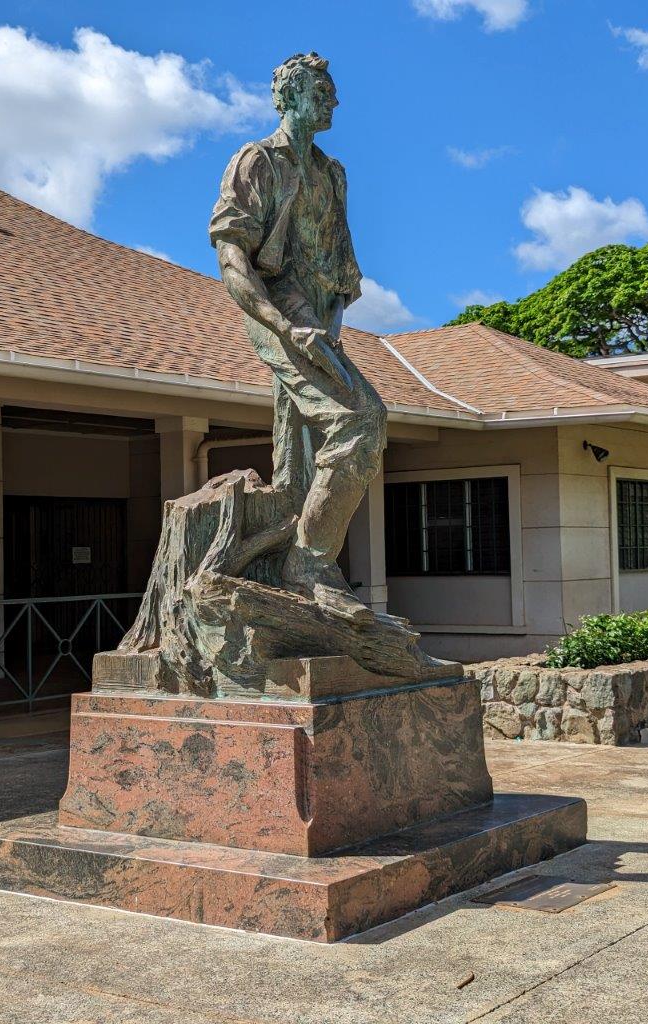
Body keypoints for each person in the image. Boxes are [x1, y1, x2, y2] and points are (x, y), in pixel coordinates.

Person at [209, 53, 387, 620]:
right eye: (323, 90)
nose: (334, 100)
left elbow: (340, 261)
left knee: (303, 451)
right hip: (275, 305)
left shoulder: (332, 173)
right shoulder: (257, 160)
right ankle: (310, 562)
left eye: (333, 90)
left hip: (320, 315)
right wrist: (285, 324)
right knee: (361, 418)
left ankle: (284, 559)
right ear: (288, 96)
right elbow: (233, 256)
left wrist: (329, 323)